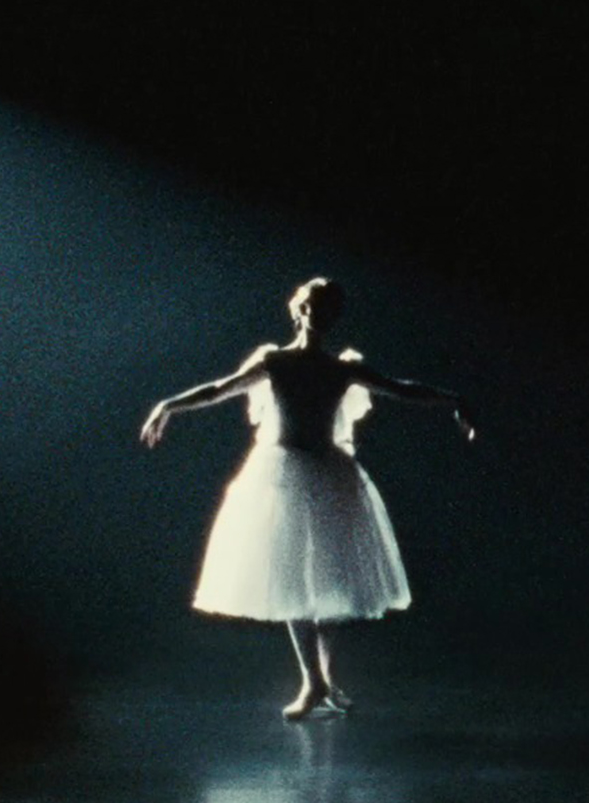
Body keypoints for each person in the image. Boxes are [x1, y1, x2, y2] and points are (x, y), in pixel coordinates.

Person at [140, 277, 474, 720]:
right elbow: (220, 389)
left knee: (333, 579)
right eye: (312, 305)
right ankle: (312, 681)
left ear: (333, 317)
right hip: (282, 473)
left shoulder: (342, 369)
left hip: (331, 473)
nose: (318, 313)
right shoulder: (275, 362)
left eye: (326, 308)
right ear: (298, 311)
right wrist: (167, 405)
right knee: (291, 576)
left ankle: (325, 680)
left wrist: (452, 399)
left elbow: (401, 388)